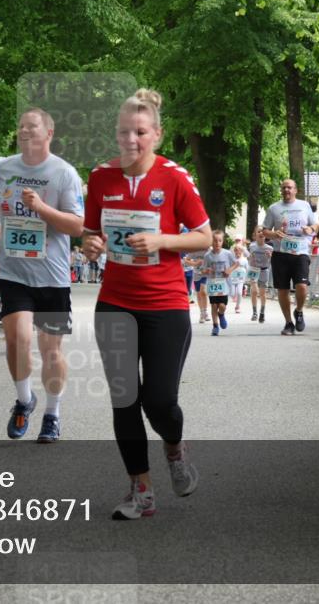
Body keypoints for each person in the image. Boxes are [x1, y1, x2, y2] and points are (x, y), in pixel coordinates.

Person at [81, 89, 212, 519]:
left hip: (165, 303)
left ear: (156, 133)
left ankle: (174, 448)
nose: (131, 139)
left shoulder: (175, 177)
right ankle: (141, 491)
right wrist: (92, 245)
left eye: (140, 132)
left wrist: (162, 240)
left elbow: (206, 238)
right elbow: (90, 232)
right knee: (124, 400)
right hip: (116, 302)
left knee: (159, 402)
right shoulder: (100, 178)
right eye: (124, 132)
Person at [0, 108, 84, 444]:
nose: (25, 131)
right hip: (14, 270)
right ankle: (24, 401)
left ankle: (53, 414)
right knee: (18, 338)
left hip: (52, 276)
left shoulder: (63, 174)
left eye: (32, 127)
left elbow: (77, 225)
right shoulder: (4, 166)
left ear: (49, 133)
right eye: (21, 126)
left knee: (50, 349)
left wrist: (40, 208)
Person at [263, 178, 318, 336]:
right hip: (281, 253)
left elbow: (316, 225)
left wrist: (310, 229)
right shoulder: (274, 208)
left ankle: (299, 311)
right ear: (281, 190)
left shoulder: (304, 206)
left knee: (302, 286)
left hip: (300, 251)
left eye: (289, 187)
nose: (286, 190)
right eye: (284, 188)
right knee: (283, 289)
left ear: (296, 190)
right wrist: (273, 234)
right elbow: (265, 230)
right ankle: (288, 323)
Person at [201, 231, 238, 335]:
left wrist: (229, 270)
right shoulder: (207, 256)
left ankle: (221, 314)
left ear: (222, 242)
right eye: (215, 240)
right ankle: (215, 326)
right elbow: (203, 270)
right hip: (213, 283)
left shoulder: (227, 253)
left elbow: (236, 263)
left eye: (219, 240)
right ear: (211, 242)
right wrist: (206, 271)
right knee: (213, 305)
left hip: (224, 284)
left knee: (222, 306)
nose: (217, 243)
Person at [247, 226, 273, 323]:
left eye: (263, 232)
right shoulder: (252, 246)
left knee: (262, 293)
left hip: (264, 270)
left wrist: (270, 256)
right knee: (254, 291)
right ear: (255, 235)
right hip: (254, 270)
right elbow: (249, 257)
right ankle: (254, 312)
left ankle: (262, 312)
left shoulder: (270, 248)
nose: (261, 233)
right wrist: (250, 258)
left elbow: (271, 261)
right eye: (259, 232)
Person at [229, 243, 248, 313]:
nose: (238, 251)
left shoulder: (244, 260)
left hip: (241, 279)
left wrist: (247, 279)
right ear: (234, 251)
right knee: (232, 294)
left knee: (239, 293)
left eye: (239, 250)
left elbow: (247, 269)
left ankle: (237, 306)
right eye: (236, 250)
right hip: (232, 279)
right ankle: (235, 297)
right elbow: (228, 268)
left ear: (242, 251)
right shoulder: (232, 259)